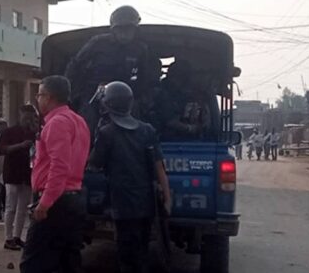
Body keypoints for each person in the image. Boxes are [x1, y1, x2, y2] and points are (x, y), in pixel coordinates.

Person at [88, 81, 171, 273]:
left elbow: (95, 163)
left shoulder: (106, 133)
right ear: (130, 103)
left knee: (126, 255)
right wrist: (168, 199)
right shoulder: (147, 130)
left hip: (122, 205)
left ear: (107, 104)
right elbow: (159, 167)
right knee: (141, 251)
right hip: (147, 203)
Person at [20, 76, 90, 273]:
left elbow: (59, 167)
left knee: (32, 263)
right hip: (73, 198)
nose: (37, 99)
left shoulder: (57, 123)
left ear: (49, 97)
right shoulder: (79, 121)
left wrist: (45, 203)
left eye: (39, 95)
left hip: (55, 202)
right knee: (66, 261)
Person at [65, 5, 160, 132]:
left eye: (128, 29)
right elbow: (75, 65)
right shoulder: (98, 43)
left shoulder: (140, 49)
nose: (124, 34)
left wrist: (141, 99)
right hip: (95, 94)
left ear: (135, 30)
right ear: (114, 30)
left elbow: (145, 77)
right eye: (121, 29)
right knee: (86, 125)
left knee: (135, 128)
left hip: (125, 95)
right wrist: (74, 95)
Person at [0, 104, 39, 251]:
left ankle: (17, 236)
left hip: (27, 174)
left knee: (23, 208)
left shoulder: (33, 133)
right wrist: (21, 146)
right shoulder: (9, 132)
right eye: (25, 117)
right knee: (10, 207)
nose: (27, 120)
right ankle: (8, 238)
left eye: (30, 117)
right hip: (12, 173)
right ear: (20, 115)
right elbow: (2, 149)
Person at [150, 60, 217, 141]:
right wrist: (190, 128)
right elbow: (169, 121)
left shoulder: (190, 94)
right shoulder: (161, 93)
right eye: (185, 76)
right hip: (163, 140)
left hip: (191, 142)